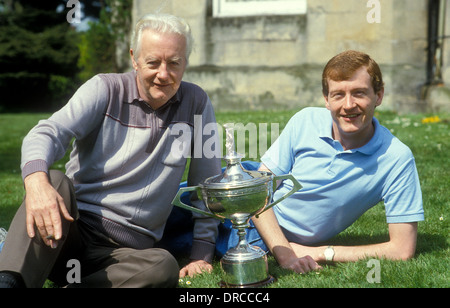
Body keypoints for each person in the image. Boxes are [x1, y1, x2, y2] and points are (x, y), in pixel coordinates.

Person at [0, 14, 221, 288]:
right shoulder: (104, 88)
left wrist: (201, 253)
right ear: (134, 58)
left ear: (185, 62)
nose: (163, 74)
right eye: (153, 62)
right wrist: (35, 182)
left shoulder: (197, 103)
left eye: (174, 63)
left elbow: (207, 184)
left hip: (126, 256)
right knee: (54, 181)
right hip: (67, 231)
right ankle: (9, 281)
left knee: (163, 266)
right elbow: (47, 132)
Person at [219, 50, 424, 274]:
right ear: (326, 99)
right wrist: (286, 254)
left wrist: (321, 252)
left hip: (260, 234)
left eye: (359, 93)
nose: (348, 105)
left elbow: (402, 249)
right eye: (338, 95)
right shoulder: (305, 120)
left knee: (180, 237)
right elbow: (259, 193)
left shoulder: (396, 158)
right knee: (177, 200)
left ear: (379, 96)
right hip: (249, 189)